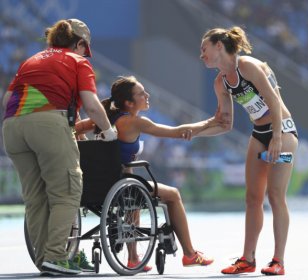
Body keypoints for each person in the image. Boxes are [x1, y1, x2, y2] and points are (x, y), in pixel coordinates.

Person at [2, 19, 116, 276]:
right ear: (80, 44)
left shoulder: (31, 60)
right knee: (67, 192)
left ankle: (45, 259)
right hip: (49, 124)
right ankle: (56, 256)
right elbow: (92, 105)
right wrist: (109, 132)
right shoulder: (78, 61)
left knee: (35, 198)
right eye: (84, 49)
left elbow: (7, 99)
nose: (85, 55)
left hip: (11, 127)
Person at [75, 75, 220, 270]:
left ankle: (134, 257)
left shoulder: (102, 120)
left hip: (97, 185)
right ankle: (189, 253)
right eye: (141, 93)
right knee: (173, 195)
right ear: (128, 102)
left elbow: (74, 130)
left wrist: (84, 143)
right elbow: (176, 132)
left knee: (133, 189)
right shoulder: (135, 122)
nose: (147, 95)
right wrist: (210, 122)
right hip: (121, 186)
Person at [195, 26, 299, 275]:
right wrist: (194, 131)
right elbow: (224, 123)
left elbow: (273, 100)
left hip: (282, 132)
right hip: (258, 135)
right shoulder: (220, 82)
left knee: (275, 196)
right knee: (252, 198)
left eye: (204, 49)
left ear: (219, 46)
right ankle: (247, 259)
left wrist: (275, 137)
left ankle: (278, 261)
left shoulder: (249, 66)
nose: (201, 55)